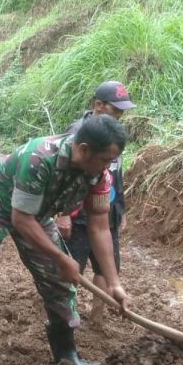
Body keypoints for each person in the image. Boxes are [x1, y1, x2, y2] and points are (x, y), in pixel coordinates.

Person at [0, 114, 131, 365]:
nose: (107, 166)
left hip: (36, 213)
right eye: (104, 159)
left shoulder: (99, 175)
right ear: (84, 150)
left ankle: (67, 355)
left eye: (111, 161)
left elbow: (100, 228)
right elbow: (20, 220)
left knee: (59, 282)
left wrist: (114, 284)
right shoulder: (40, 157)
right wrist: (60, 257)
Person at [58, 81, 136, 325]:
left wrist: (120, 210)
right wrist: (62, 213)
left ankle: (97, 320)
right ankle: (59, 316)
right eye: (115, 110)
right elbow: (63, 178)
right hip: (79, 213)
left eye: (122, 112)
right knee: (73, 267)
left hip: (106, 210)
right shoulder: (80, 133)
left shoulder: (114, 135)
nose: (119, 116)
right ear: (98, 106)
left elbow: (115, 175)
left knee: (106, 265)